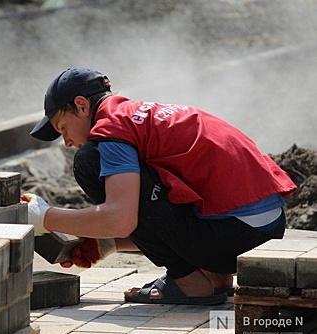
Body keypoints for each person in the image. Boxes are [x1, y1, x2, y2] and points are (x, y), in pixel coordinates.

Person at [22, 66, 297, 305]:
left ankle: (189, 282)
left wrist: (46, 218)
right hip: (266, 230)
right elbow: (162, 212)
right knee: (145, 180)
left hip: (235, 240)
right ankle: (216, 279)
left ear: (82, 106)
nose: (67, 142)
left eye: (62, 128)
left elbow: (121, 218)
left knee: (88, 161)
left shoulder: (111, 128)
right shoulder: (140, 116)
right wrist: (109, 245)